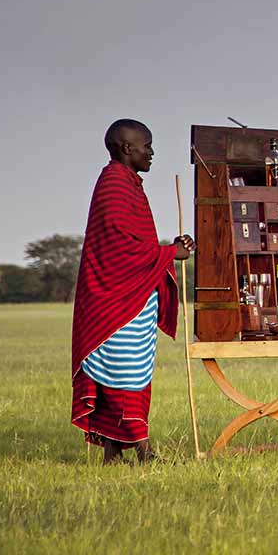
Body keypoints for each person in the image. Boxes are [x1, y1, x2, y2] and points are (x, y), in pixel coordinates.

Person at [71, 119, 193, 464]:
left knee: (130, 371)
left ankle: (113, 453)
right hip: (115, 299)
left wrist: (171, 247)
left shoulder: (128, 183)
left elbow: (135, 243)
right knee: (124, 372)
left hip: (134, 295)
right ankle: (142, 449)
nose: (151, 152)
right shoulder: (114, 184)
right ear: (127, 148)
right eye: (146, 146)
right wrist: (170, 254)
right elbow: (119, 247)